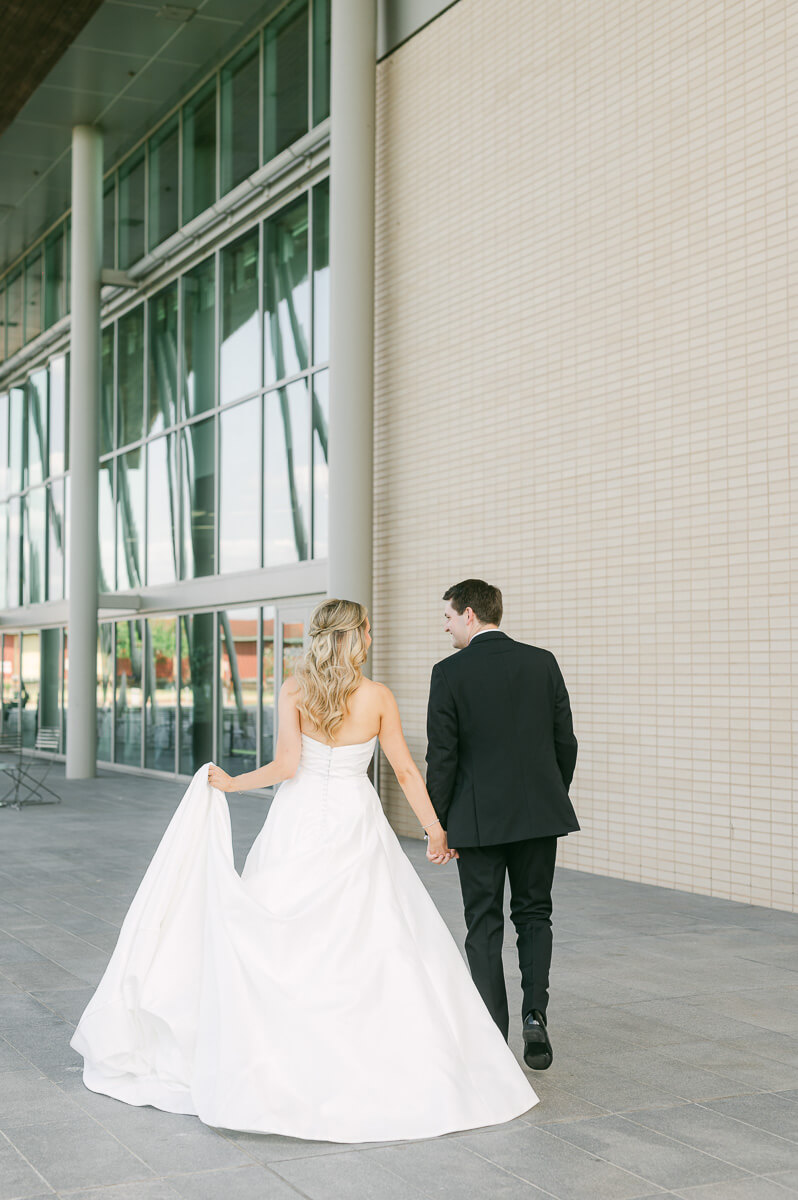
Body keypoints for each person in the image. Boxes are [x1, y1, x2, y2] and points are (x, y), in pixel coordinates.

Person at [70, 599, 538, 1143]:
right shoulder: (378, 697)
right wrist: (436, 830)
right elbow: (407, 770)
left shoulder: (295, 690)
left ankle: (276, 1050)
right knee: (372, 935)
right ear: (360, 635)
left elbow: (287, 767)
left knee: (279, 929)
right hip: (354, 822)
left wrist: (232, 783)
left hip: (296, 822)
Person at [425, 580, 579, 1070]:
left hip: (478, 821)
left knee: (483, 924)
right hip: (538, 815)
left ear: (469, 614)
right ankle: (535, 1013)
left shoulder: (448, 673)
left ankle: (492, 1035)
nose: (445, 626)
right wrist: (549, 796)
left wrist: (440, 822)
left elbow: (442, 758)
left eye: (448, 617)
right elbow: (565, 743)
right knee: (535, 915)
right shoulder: (543, 662)